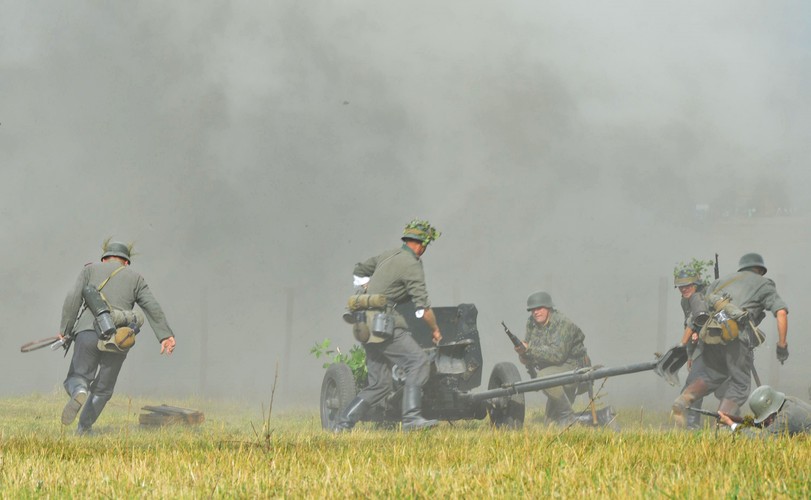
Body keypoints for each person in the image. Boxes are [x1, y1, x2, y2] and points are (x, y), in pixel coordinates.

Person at [334, 219, 442, 432]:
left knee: (380, 385)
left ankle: (342, 423)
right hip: (384, 325)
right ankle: (411, 419)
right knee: (419, 362)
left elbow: (359, 269)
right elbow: (422, 308)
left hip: (365, 326)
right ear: (421, 244)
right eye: (426, 246)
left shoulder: (388, 255)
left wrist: (365, 286)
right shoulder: (412, 264)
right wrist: (435, 330)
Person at [59, 239, 176, 434]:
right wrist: (165, 336)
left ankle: (79, 390)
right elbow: (151, 306)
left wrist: (65, 329)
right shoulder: (136, 278)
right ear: (127, 262)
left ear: (104, 259)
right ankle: (84, 428)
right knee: (103, 389)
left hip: (87, 333)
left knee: (79, 376)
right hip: (118, 340)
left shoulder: (89, 270)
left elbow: (72, 299)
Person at [672, 252, 788, 425]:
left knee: (711, 374)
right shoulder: (764, 284)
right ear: (759, 269)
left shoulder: (721, 282)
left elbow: (695, 318)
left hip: (711, 337)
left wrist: (685, 347)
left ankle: (684, 399)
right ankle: (724, 419)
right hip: (737, 339)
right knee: (740, 386)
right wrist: (782, 345)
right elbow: (781, 312)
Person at [515, 291, 590, 426]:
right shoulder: (532, 323)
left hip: (573, 366)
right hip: (554, 370)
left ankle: (568, 416)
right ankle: (585, 418)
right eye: (532, 310)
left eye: (539, 308)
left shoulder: (563, 324)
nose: (535, 312)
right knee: (550, 425)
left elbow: (557, 356)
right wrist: (523, 354)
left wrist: (530, 349)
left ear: (548, 308)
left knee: (544, 377)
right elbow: (530, 351)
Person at [718, 385, 811, 436]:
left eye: (766, 418)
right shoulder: (787, 401)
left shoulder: (786, 416)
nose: (767, 422)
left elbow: (762, 439)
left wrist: (731, 424)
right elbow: (763, 424)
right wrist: (737, 419)